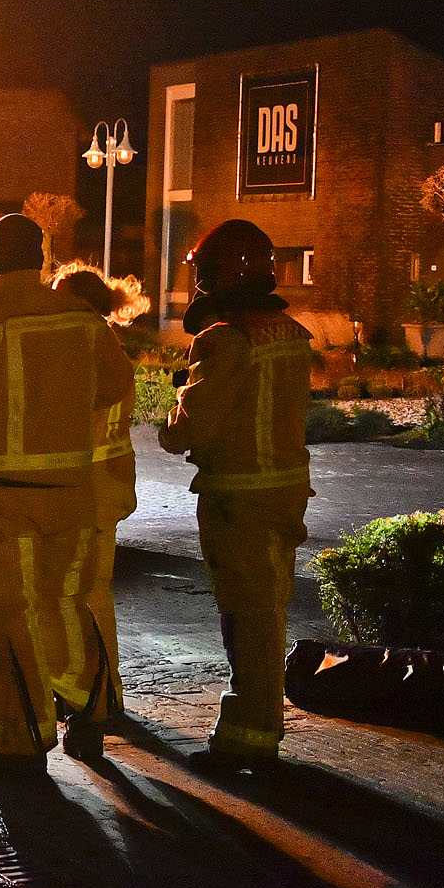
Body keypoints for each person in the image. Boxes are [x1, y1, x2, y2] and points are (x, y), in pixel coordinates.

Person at [0, 214, 133, 773]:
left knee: (7, 615)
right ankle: (92, 698)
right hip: (72, 493)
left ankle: (20, 737)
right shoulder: (83, 319)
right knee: (62, 606)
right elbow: (114, 386)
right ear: (40, 260)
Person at [158, 220, 313, 773]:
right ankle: (257, 729)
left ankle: (247, 737)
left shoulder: (223, 336)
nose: (199, 283)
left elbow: (193, 427)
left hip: (236, 496)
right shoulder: (290, 331)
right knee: (266, 612)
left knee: (246, 617)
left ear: (224, 273)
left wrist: (171, 416)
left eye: (203, 272)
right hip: (285, 490)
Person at [46, 263, 149, 757]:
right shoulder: (105, 343)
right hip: (104, 489)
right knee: (94, 594)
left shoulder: (77, 343)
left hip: (82, 489)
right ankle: (102, 696)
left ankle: (89, 697)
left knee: (73, 596)